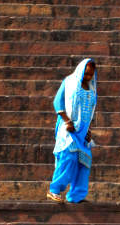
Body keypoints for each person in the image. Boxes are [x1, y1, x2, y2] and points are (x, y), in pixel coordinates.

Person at [48, 58, 97, 203]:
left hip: (83, 132)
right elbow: (57, 102)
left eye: (91, 75)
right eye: (86, 74)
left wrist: (88, 130)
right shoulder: (69, 82)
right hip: (69, 128)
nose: (88, 77)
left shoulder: (92, 88)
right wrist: (66, 121)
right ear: (81, 70)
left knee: (84, 162)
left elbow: (89, 111)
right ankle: (54, 190)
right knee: (68, 158)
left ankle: (76, 196)